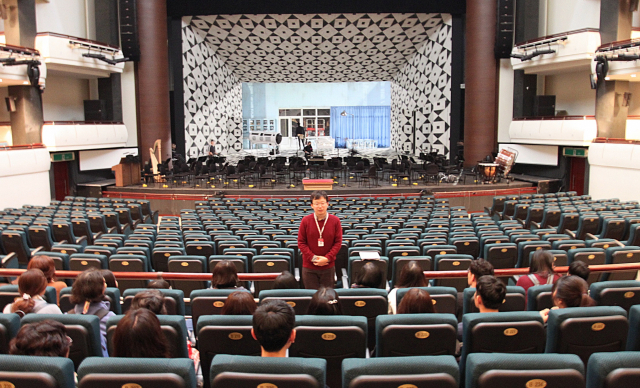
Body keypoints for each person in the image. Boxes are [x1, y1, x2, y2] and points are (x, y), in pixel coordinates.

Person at [298, 191, 342, 289]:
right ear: (312, 206)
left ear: (327, 204)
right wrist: (313, 258)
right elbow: (301, 242)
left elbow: (338, 242)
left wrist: (327, 258)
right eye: (316, 204)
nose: (320, 206)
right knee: (312, 297)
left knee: (327, 297)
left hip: (328, 266)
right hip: (309, 266)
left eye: (322, 203)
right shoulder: (305, 220)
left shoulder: (335, 221)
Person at [68, 268, 116, 357]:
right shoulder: (110, 318)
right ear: (101, 290)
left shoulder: (66, 318)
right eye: (104, 283)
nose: (106, 285)